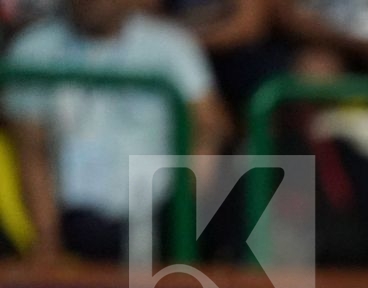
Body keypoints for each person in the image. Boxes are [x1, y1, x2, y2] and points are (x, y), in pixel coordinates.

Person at [3, 0, 229, 262]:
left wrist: (186, 199)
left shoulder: (169, 45)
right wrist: (47, 240)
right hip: (79, 217)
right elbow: (31, 154)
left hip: (159, 210)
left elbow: (210, 126)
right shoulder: (33, 50)